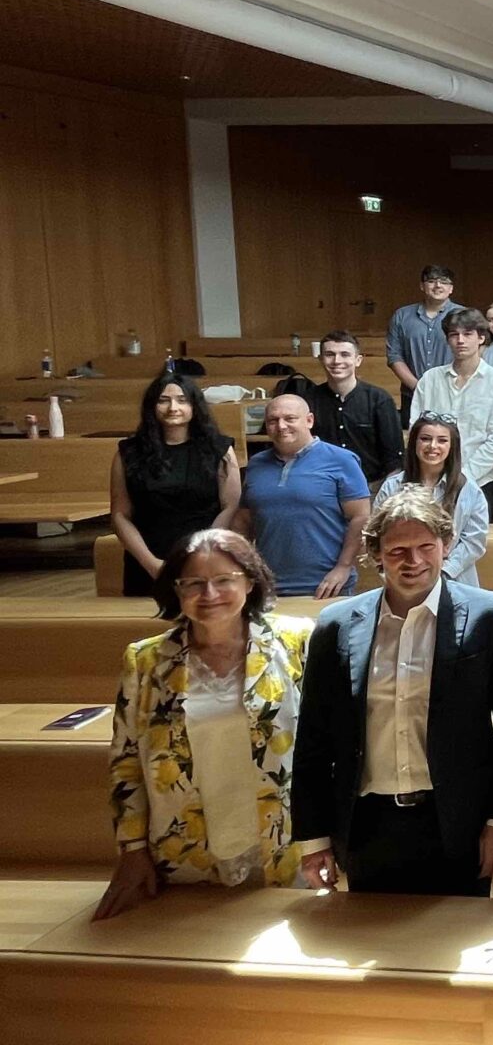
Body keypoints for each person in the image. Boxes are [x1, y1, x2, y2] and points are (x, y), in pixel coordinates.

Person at [292, 489, 493, 896]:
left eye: (425, 547)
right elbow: (313, 738)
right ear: (376, 554)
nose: (413, 561)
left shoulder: (490, 617)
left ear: (445, 545)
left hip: (457, 822)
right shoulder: (336, 625)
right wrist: (314, 840)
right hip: (369, 825)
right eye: (398, 550)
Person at [95, 530, 311, 918]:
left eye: (224, 580)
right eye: (193, 583)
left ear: (250, 581)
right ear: (176, 589)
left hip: (285, 846)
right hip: (185, 849)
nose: (209, 594)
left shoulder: (298, 642)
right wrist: (132, 849)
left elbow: (327, 747)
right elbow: (125, 763)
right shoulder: (145, 660)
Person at [110, 371, 240, 595]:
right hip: (146, 562)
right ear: (151, 406)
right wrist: (153, 565)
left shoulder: (219, 449)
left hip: (205, 560)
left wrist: (198, 556)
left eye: (182, 400)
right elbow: (120, 515)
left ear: (194, 406)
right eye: (163, 400)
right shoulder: (128, 452)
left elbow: (231, 506)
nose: (173, 408)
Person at [233, 394, 369, 598]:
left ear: (309, 420)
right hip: (267, 587)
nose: (281, 426)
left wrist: (343, 567)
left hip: (326, 587)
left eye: (290, 418)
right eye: (273, 420)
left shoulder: (342, 460)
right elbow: (244, 521)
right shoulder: (256, 464)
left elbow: (361, 517)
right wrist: (242, 568)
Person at [372, 411, 489, 584]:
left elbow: (474, 541)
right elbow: (377, 534)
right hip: (404, 579)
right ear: (414, 442)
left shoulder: (469, 490)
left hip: (455, 581)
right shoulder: (392, 487)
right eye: (425, 439)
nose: (433, 446)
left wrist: (442, 572)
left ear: (452, 446)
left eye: (442, 440)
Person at [413, 308, 493, 517]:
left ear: (481, 338)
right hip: (431, 481)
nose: (460, 341)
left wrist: (462, 477)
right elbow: (416, 429)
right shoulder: (430, 380)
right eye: (454, 335)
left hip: (481, 482)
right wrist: (440, 476)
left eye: (467, 334)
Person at [310, 330, 403, 486]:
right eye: (330, 354)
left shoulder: (380, 399)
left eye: (345, 354)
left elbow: (394, 456)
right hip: (321, 485)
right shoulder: (307, 400)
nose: (337, 361)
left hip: (371, 486)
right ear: (320, 359)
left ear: (358, 360)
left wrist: (387, 492)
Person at [386, 264, 462, 423]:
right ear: (422, 286)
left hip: (454, 393)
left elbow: (473, 353)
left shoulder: (463, 315)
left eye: (444, 281)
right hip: (412, 394)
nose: (438, 285)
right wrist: (419, 387)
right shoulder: (402, 316)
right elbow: (394, 356)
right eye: (432, 281)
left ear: (451, 288)